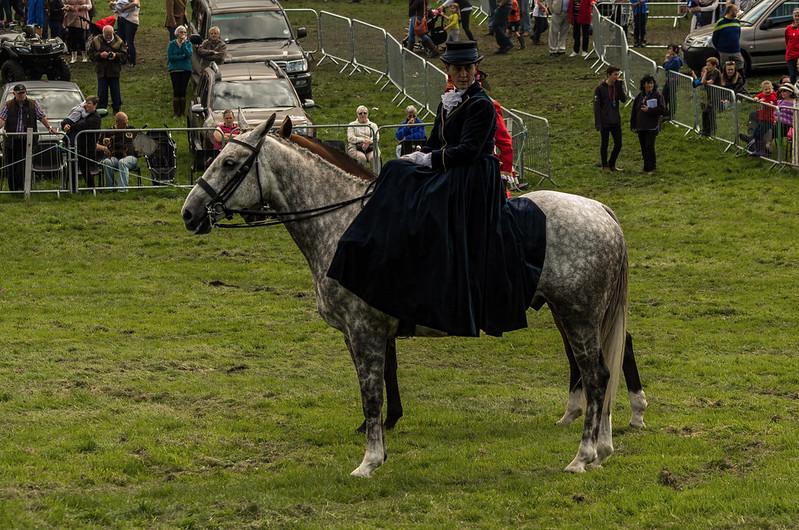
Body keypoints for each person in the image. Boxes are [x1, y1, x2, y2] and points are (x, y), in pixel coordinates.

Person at [327, 40, 542, 337]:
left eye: (468, 68)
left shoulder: (481, 104)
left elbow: (468, 150)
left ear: (475, 69)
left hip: (472, 175)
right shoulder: (448, 100)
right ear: (449, 71)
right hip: (452, 167)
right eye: (457, 69)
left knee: (425, 202)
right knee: (395, 169)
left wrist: (429, 159)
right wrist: (417, 155)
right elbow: (436, 140)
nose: (463, 74)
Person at [0, 84, 57, 191]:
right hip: (11, 142)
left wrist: (49, 127)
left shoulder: (33, 104)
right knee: (11, 167)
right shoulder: (8, 105)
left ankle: (24, 190)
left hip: (28, 142)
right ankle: (13, 191)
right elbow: (2, 120)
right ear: (14, 94)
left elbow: (41, 117)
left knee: (23, 167)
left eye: (23, 93)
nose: (22, 95)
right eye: (19, 93)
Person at [62, 96, 102, 187]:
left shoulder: (95, 117)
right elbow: (68, 119)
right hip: (78, 147)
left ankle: (90, 188)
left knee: (85, 169)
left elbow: (81, 126)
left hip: (87, 148)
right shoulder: (82, 114)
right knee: (73, 167)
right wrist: (66, 124)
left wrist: (70, 126)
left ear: (95, 105)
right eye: (86, 103)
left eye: (89, 103)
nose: (86, 105)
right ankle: (73, 188)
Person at [594, 65, 628, 171]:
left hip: (615, 120)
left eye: (618, 74)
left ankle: (612, 163)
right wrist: (598, 122)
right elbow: (596, 107)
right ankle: (605, 166)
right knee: (605, 143)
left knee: (618, 144)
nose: (617, 77)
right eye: (615, 75)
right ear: (609, 75)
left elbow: (623, 100)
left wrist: (620, 87)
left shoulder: (617, 86)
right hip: (605, 121)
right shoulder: (600, 89)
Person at [630, 75, 666, 173]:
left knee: (649, 146)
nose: (650, 85)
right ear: (643, 84)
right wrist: (633, 124)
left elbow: (662, 110)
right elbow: (634, 111)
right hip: (641, 126)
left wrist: (649, 110)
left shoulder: (658, 95)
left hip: (652, 126)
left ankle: (652, 167)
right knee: (643, 147)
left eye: (651, 83)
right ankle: (646, 167)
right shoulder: (639, 96)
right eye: (647, 83)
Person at [89, 24, 128, 114]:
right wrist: (99, 55)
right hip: (101, 72)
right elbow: (90, 54)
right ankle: (101, 111)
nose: (108, 37)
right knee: (101, 93)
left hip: (114, 71)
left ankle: (116, 110)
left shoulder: (119, 42)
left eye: (110, 35)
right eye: (106, 35)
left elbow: (125, 56)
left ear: (113, 33)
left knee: (116, 93)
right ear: (103, 33)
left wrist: (115, 55)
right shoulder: (96, 41)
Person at [98, 111, 138, 189]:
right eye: (124, 123)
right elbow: (98, 145)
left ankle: (122, 189)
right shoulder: (109, 132)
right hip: (115, 157)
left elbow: (142, 143)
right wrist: (105, 146)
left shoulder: (131, 129)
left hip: (130, 157)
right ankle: (110, 188)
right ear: (117, 122)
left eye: (127, 122)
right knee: (107, 162)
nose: (126, 125)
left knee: (122, 162)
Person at [692, 56, 721, 136]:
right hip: (708, 96)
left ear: (714, 65)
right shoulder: (707, 71)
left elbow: (710, 82)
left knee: (710, 113)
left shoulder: (716, 72)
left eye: (709, 65)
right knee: (705, 113)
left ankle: (710, 130)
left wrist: (704, 78)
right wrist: (703, 74)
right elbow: (701, 81)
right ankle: (705, 130)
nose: (707, 67)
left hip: (715, 96)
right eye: (706, 65)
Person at [167, 25, 192, 117]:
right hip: (175, 69)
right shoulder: (172, 44)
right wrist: (182, 57)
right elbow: (171, 57)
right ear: (177, 33)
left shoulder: (188, 43)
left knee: (183, 90)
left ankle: (182, 112)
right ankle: (176, 112)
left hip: (186, 69)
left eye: (184, 32)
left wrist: (184, 44)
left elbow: (189, 54)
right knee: (176, 90)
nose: (183, 34)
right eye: (181, 32)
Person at [712, 4, 743, 72]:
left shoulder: (737, 21)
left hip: (736, 50)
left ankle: (738, 80)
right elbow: (714, 38)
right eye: (735, 10)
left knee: (740, 65)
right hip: (724, 52)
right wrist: (719, 48)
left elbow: (738, 34)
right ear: (730, 11)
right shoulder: (720, 22)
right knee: (725, 69)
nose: (737, 12)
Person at [111, 0, 140, 67]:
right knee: (120, 40)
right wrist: (113, 6)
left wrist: (124, 8)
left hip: (131, 22)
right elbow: (115, 8)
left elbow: (136, 3)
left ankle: (132, 61)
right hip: (121, 19)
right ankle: (122, 59)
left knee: (129, 41)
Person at [662, 44, 683, 119]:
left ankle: (671, 114)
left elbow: (667, 67)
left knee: (671, 97)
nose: (668, 50)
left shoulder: (675, 60)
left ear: (675, 50)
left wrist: (666, 60)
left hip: (673, 80)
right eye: (668, 49)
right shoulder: (672, 59)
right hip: (669, 80)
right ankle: (665, 112)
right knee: (664, 96)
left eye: (670, 49)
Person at [785, 8, 799, 84]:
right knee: (792, 75)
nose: (797, 17)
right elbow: (787, 41)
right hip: (790, 56)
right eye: (795, 16)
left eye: (798, 16)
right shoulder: (788, 28)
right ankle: (793, 92)